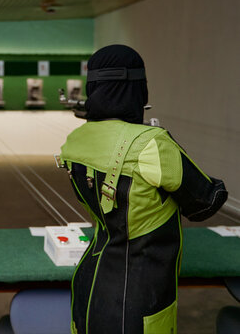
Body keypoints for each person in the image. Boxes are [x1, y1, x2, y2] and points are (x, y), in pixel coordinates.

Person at [58, 45, 228, 334]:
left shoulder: (75, 139)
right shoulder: (151, 143)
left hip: (89, 285)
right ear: (138, 89)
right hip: (138, 294)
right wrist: (168, 143)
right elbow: (207, 201)